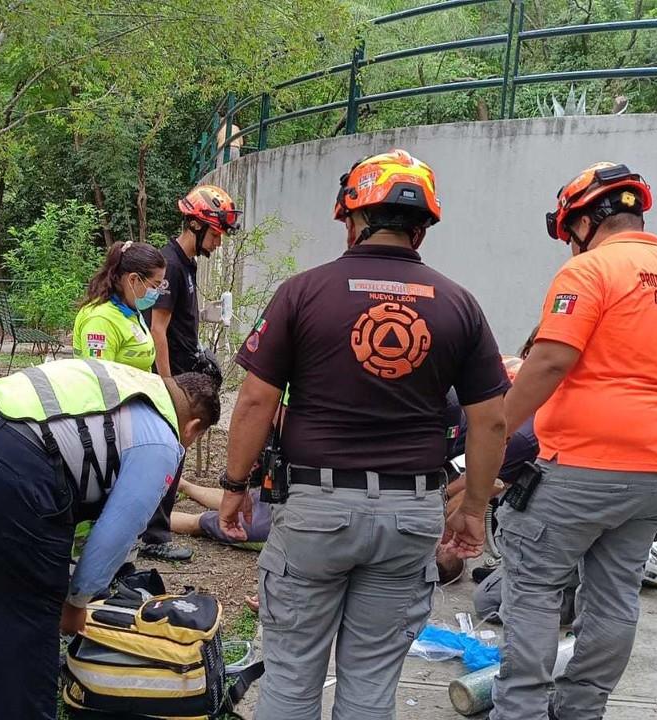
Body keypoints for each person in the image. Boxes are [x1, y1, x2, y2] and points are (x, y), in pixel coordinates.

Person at [215, 149, 509, 719]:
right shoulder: (458, 304)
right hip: (411, 516)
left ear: (352, 218)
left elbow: (255, 400)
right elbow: (491, 420)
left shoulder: (303, 293)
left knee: (291, 678)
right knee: (371, 687)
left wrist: (234, 487)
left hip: (316, 511)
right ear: (421, 228)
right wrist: (473, 507)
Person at [487, 162, 657, 720]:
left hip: (583, 465)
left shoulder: (589, 273)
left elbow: (549, 362)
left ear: (588, 220)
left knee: (534, 585)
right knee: (615, 593)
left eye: (570, 231)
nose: (569, 244)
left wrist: (494, 436)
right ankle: (580, 710)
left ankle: (517, 710)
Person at [0, 359, 220, 719]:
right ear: (194, 426)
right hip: (3, 460)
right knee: (31, 622)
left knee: (3, 607)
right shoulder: (162, 439)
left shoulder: (132, 383)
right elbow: (118, 531)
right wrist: (76, 602)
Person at [138, 184, 241, 562]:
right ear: (197, 226)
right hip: (172, 382)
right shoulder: (171, 265)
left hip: (184, 374)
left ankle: (155, 528)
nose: (219, 242)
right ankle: (154, 537)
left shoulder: (187, 266)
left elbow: (180, 325)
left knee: (174, 455)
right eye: (216, 233)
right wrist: (169, 387)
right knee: (167, 454)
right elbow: (158, 329)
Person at [72, 240, 166, 371]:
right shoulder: (101, 320)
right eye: (154, 285)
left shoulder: (130, 310)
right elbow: (101, 381)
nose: (156, 292)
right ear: (133, 279)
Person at [169, 477, 271, 547]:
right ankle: (181, 484)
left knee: (202, 521)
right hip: (279, 503)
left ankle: (156, 515)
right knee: (237, 499)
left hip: (274, 523)